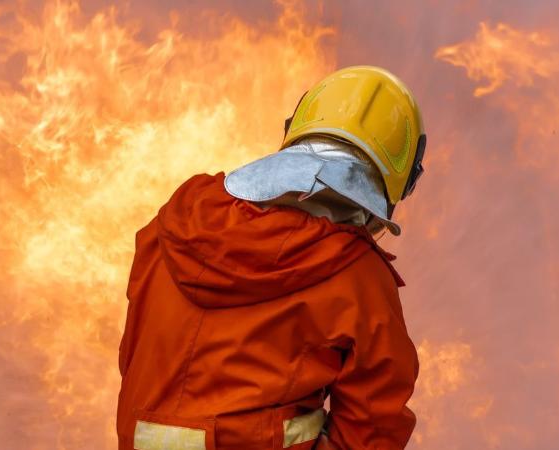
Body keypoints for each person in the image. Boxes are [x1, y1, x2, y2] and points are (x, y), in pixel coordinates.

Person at [116, 66, 426, 450]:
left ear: (294, 130)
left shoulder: (175, 223)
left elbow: (134, 356)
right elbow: (375, 422)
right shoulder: (357, 275)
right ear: (399, 176)